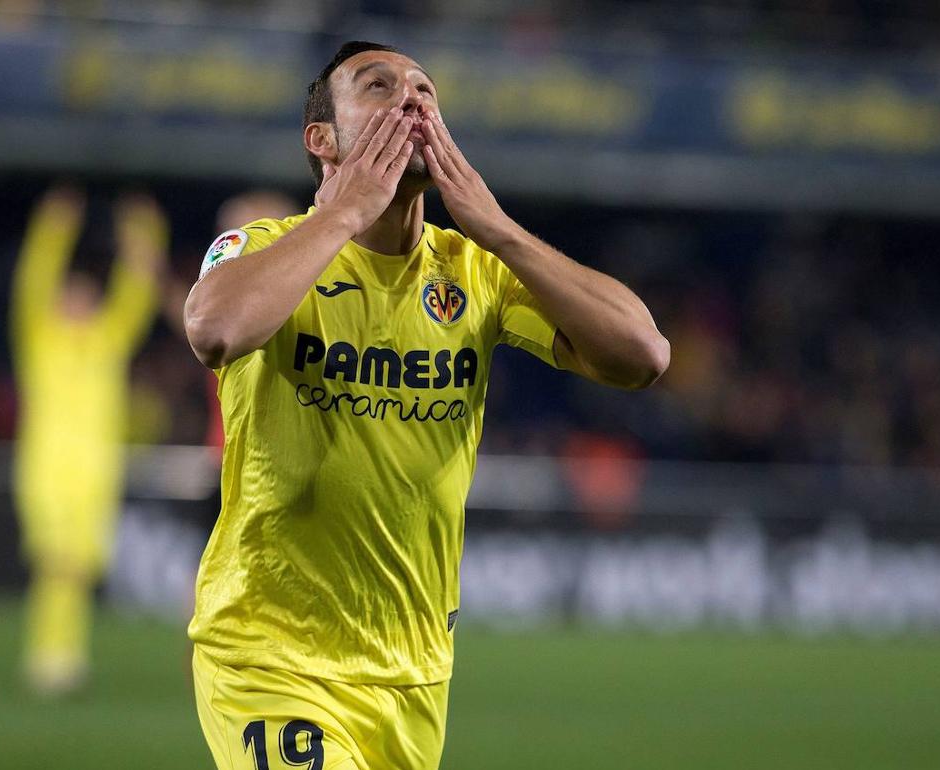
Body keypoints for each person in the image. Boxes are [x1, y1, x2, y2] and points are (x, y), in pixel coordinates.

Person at [183, 41, 669, 769]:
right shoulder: (261, 248)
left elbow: (643, 355)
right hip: (272, 657)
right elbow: (216, 329)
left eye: (424, 91)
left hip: (414, 675)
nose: (410, 99)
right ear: (323, 138)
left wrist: (498, 228)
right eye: (378, 87)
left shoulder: (474, 271)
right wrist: (343, 214)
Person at [11, 184, 167, 696]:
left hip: (97, 470)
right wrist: (53, 230)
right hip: (46, 469)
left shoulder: (106, 340)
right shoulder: (41, 337)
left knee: (75, 571)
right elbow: (31, 284)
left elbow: (137, 293)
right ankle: (50, 658)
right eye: (68, 295)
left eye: (84, 296)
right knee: (58, 564)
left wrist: (144, 232)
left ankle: (63, 658)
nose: (75, 303)